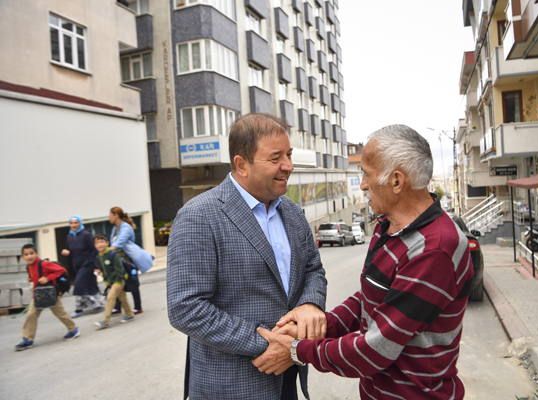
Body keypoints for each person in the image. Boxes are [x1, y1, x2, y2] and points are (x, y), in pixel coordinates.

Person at [252, 125, 475, 400]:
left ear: (396, 181)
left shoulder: (435, 249)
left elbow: (377, 348)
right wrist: (320, 326)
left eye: (367, 174)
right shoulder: (386, 227)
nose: (362, 185)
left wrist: (297, 350)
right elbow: (369, 300)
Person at [167, 113, 327, 400]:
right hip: (231, 386)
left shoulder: (292, 212)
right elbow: (186, 308)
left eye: (289, 155)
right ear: (241, 164)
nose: (288, 166)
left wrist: (310, 304)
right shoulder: (198, 216)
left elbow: (313, 269)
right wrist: (267, 343)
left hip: (288, 374)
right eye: (276, 158)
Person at [15, 244, 80, 351]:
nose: (29, 256)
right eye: (26, 254)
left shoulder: (44, 264)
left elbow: (61, 270)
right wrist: (30, 279)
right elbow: (35, 277)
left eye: (31, 253)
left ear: (37, 254)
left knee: (60, 313)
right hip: (37, 295)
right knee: (31, 315)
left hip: (51, 294)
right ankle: (28, 339)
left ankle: (73, 330)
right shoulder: (28, 266)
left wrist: (48, 277)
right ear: (22, 257)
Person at [61, 215, 104, 318]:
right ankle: (98, 304)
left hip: (88, 264)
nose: (73, 225)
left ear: (80, 223)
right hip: (77, 265)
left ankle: (79, 309)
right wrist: (66, 252)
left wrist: (96, 266)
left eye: (76, 223)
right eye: (71, 223)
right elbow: (69, 249)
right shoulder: (69, 236)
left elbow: (94, 251)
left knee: (78, 285)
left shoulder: (86, 235)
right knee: (91, 285)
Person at [93, 233, 135, 329]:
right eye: (97, 243)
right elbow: (103, 270)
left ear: (107, 243)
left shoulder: (113, 254)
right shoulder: (98, 256)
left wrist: (118, 283)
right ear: (95, 245)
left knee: (110, 298)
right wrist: (106, 281)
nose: (100, 244)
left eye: (102, 242)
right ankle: (130, 315)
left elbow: (120, 269)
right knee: (122, 298)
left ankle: (105, 321)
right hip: (111, 281)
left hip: (119, 279)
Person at [108, 207, 142, 315]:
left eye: (110, 215)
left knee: (133, 283)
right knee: (118, 281)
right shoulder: (115, 228)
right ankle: (117, 307)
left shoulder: (125, 227)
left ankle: (138, 307)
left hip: (128, 261)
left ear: (116, 215)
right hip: (119, 261)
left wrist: (107, 252)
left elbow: (120, 242)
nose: (109, 217)